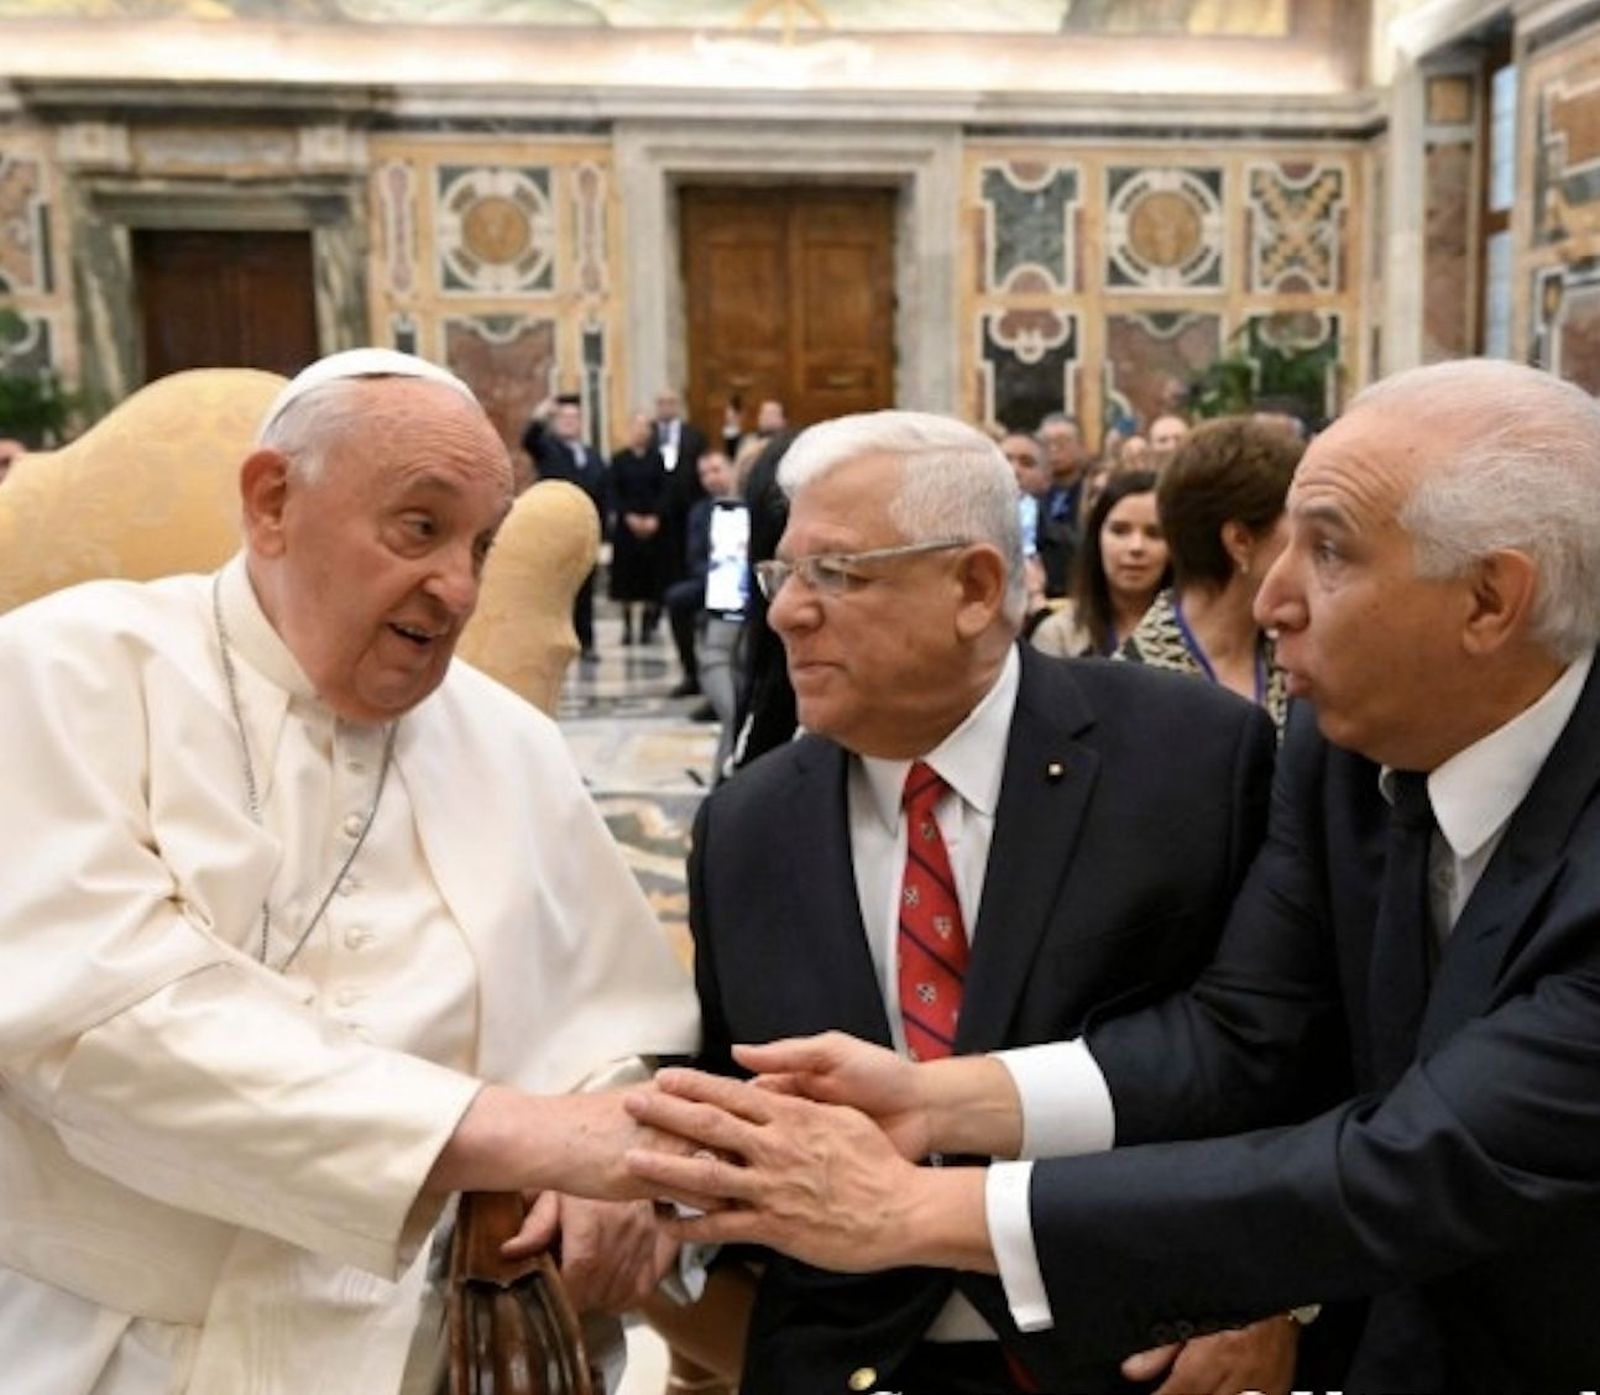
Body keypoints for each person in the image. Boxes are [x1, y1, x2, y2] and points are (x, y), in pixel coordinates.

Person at [627, 358, 1600, 1395]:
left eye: (1326, 551)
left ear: (1490, 601)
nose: (1268, 599)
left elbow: (1410, 1164)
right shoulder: (1341, 746)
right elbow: (1244, 1035)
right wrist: (936, 1101)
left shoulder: (1217, 752)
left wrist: (919, 1211)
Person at [0, 349, 700, 1395]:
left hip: (438, 1345)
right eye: (420, 529)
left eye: (482, 544)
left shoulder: (506, 740)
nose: (460, 588)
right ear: (273, 501)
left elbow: (615, 1018)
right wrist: (530, 1136)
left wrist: (614, 1165)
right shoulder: (62, 670)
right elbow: (90, 1023)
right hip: (121, 1343)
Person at [663, 409, 1294, 1395]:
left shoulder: (1190, 758)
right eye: (781, 576)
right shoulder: (745, 827)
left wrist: (1273, 1294)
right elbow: (734, 1111)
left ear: (974, 587)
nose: (787, 613)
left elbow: (1272, 1052)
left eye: (836, 573)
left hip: (1139, 1344)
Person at [1120, 416, 1300, 732]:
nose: (1310, 548)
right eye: (1299, 526)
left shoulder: (1300, 666)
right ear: (1240, 542)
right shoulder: (1132, 692)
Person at [1031, 469, 1167, 658]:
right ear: (1096, 539)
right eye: (1120, 531)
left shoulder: (1199, 635)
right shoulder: (1058, 635)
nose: (1136, 547)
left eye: (1153, 534)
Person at [521, 392, 607, 661]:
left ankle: (586, 642)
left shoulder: (592, 456)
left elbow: (604, 495)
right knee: (555, 591)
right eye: (564, 418)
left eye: (574, 418)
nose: (570, 422)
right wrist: (540, 415)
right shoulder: (548, 447)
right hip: (555, 531)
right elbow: (528, 440)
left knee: (585, 592)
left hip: (586, 533)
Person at [654, 388, 710, 695]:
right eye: (661, 403)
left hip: (690, 515)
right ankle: (691, 672)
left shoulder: (693, 437)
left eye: (671, 403)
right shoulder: (649, 437)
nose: (666, 407)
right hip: (662, 527)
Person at [607, 409, 668, 646]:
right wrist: (628, 516)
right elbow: (613, 491)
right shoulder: (619, 459)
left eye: (645, 427)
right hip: (627, 529)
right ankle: (627, 626)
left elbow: (664, 490)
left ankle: (645, 626)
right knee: (626, 581)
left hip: (653, 527)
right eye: (636, 427)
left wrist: (655, 517)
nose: (640, 432)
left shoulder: (657, 459)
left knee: (649, 580)